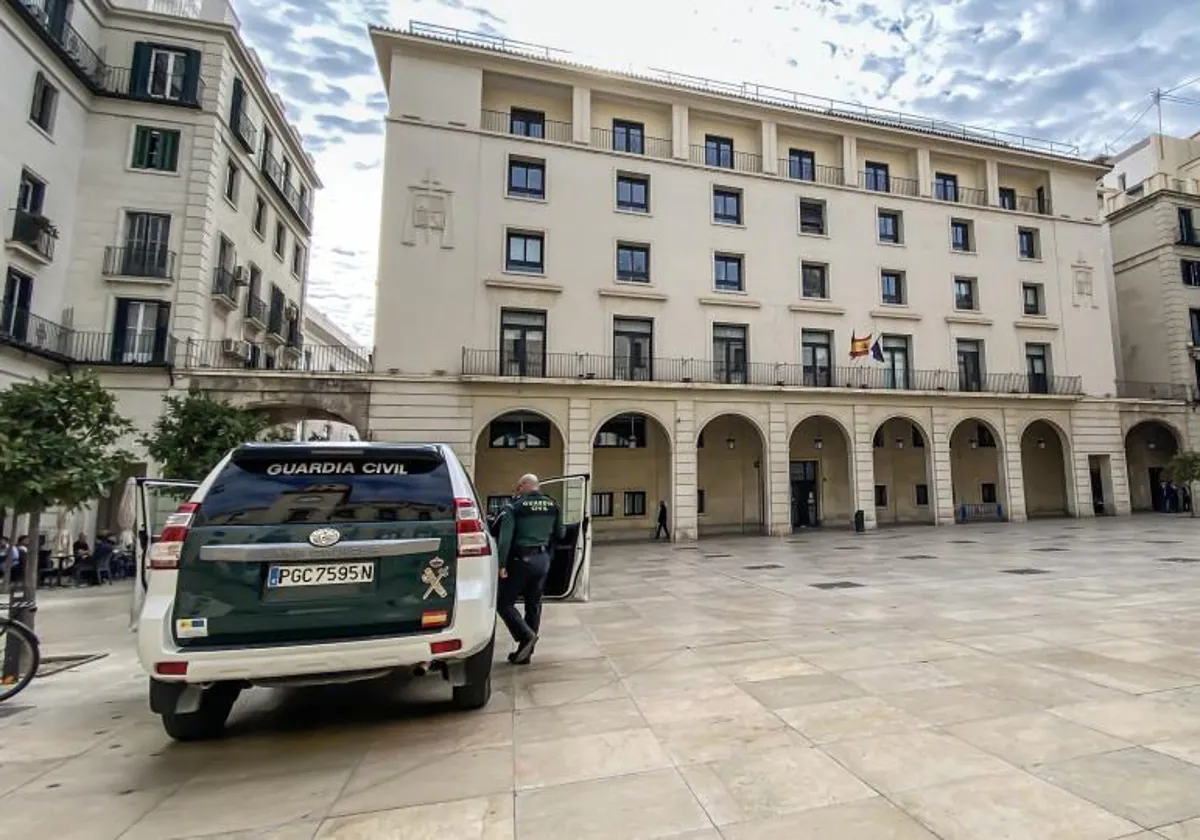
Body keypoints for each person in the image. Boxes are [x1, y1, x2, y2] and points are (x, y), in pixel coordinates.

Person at [495, 474, 562, 665]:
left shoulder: (513, 507)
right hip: (543, 560)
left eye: (518, 487)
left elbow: (505, 539)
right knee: (534, 605)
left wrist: (501, 565)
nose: (517, 490)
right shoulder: (553, 505)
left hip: (520, 560)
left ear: (524, 486)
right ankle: (526, 653)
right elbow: (561, 532)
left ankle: (525, 636)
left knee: (504, 603)